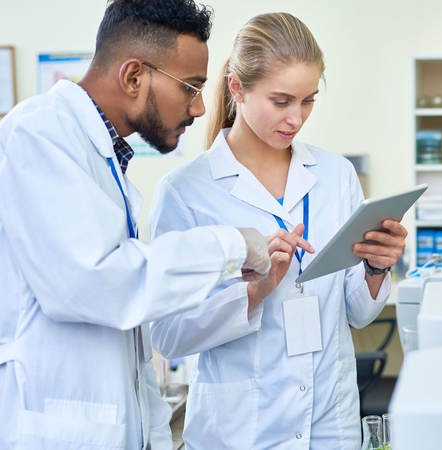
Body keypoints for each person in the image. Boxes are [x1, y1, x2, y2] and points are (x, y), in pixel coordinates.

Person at [0, 1, 308, 449]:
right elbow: (96, 282)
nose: (201, 108)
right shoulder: (38, 133)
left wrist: (157, 436)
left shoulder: (104, 158)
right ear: (133, 77)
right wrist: (235, 246)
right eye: (191, 88)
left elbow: (131, 340)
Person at [149, 12, 407, 449]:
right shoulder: (186, 191)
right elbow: (168, 337)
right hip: (239, 430)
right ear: (237, 88)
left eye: (308, 101)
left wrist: (376, 267)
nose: (296, 118)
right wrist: (254, 293)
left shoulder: (334, 174)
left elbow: (357, 313)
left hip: (329, 421)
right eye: (281, 101)